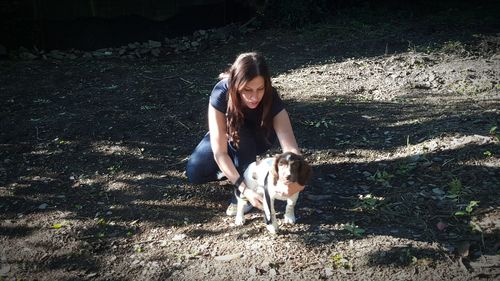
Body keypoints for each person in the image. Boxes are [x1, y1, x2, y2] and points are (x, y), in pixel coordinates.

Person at [186, 52, 305, 216]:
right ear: (236, 85)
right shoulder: (221, 93)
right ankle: (241, 175)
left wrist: (297, 179)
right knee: (195, 173)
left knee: (242, 133)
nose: (254, 97)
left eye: (260, 89)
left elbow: (290, 146)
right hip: (229, 133)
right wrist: (244, 186)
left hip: (259, 138)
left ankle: (242, 195)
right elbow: (219, 152)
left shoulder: (272, 97)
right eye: (247, 90)